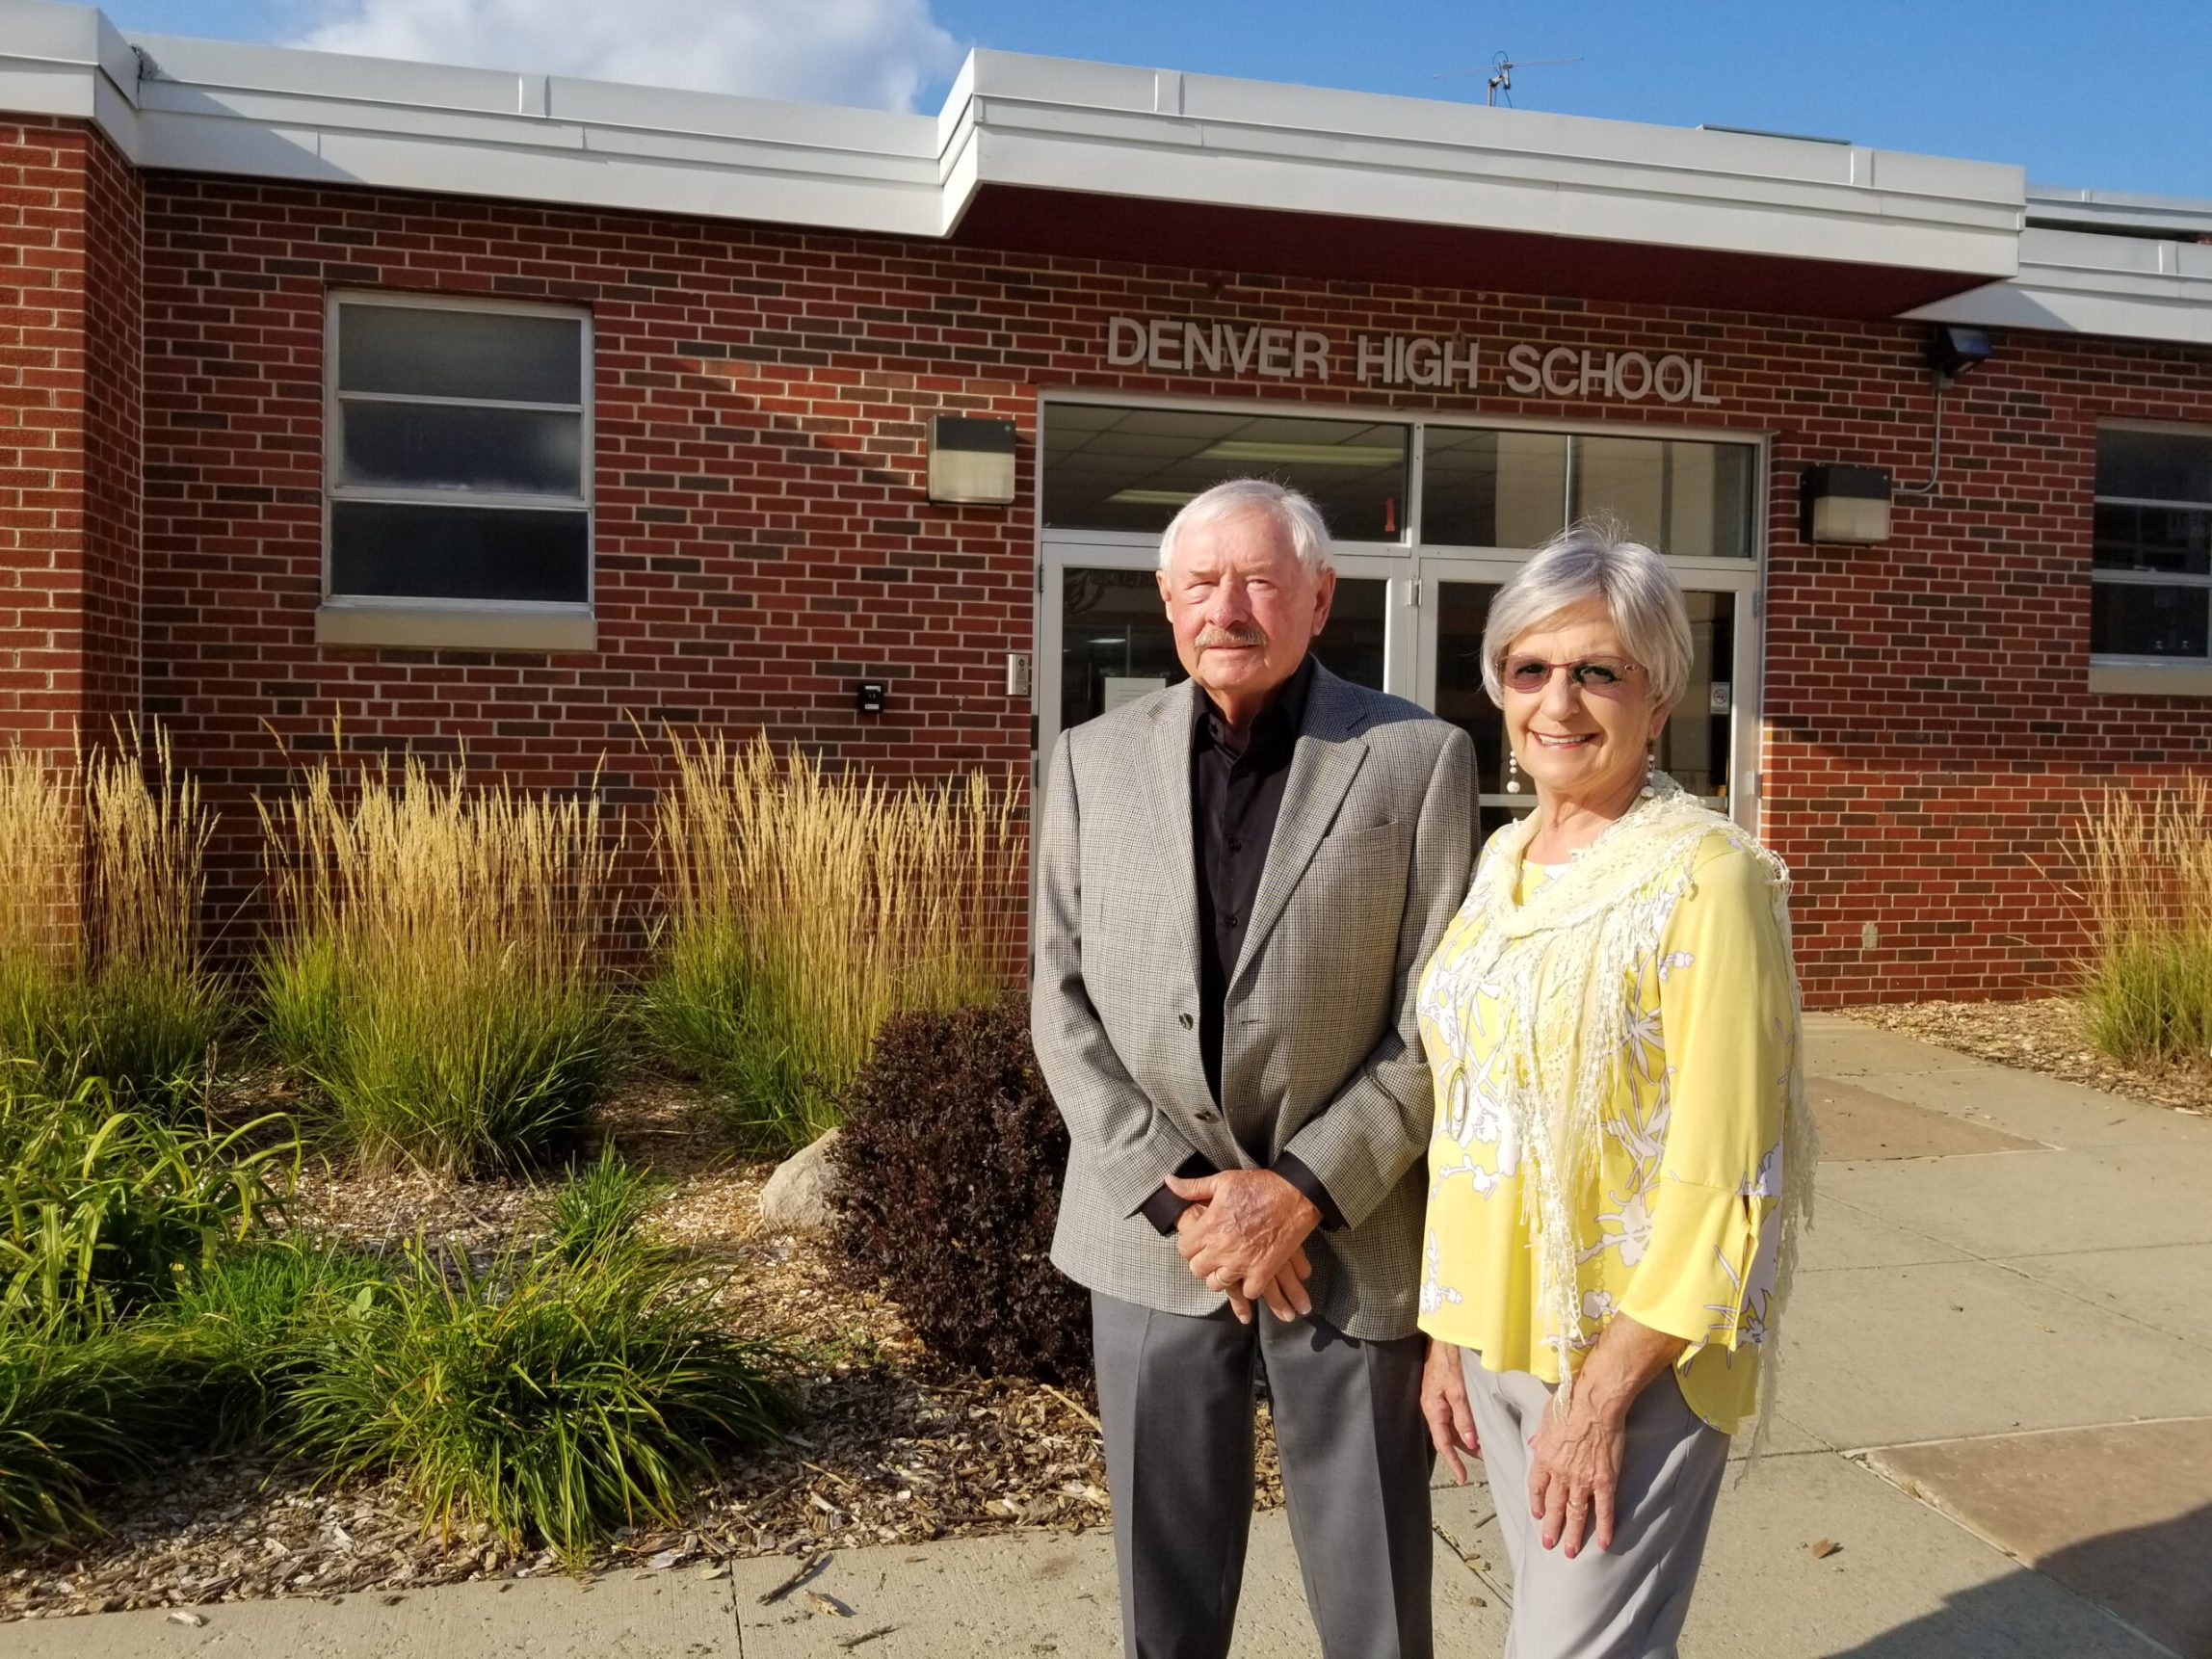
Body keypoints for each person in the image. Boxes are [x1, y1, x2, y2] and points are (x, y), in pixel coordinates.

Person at [1033, 477, 1475, 1659]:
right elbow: (1059, 1001)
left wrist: (1299, 1192)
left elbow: (1438, 1020)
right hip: (1154, 1234)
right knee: (1162, 1600)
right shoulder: (1087, 761)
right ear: (1167, 599)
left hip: (1349, 1228)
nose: (1228, 606)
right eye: (1201, 582)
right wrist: (1182, 1199)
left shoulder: (1415, 758)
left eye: (1260, 580)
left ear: (1319, 598)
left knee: (1376, 1599)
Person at [1414, 522, 1814, 1659]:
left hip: (1630, 1360)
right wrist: (1447, 1334)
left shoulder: (1706, 877)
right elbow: (1471, 1109)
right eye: (1528, 669)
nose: (1558, 701)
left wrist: (1602, 1394)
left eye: (1598, 671)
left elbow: (1729, 1169)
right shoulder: (1503, 862)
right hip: (1495, 1340)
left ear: (1659, 694)